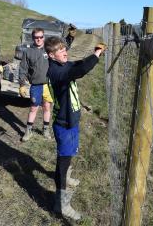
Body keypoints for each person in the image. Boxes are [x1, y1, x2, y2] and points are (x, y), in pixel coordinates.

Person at [45, 36, 106, 220]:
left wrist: (95, 53)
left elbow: (78, 64)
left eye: (65, 49)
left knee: (70, 154)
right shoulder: (55, 72)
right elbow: (79, 71)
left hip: (71, 121)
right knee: (62, 164)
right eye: (61, 51)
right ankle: (61, 205)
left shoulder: (63, 65)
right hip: (63, 125)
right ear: (51, 55)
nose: (65, 53)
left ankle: (67, 177)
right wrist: (96, 55)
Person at [18, 28, 53, 141]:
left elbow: (63, 48)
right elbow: (23, 68)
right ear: (33, 38)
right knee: (33, 108)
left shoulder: (48, 49)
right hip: (36, 85)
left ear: (44, 37)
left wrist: (70, 37)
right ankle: (28, 131)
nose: (38, 39)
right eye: (36, 37)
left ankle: (46, 129)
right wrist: (22, 84)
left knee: (47, 107)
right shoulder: (28, 52)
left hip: (48, 84)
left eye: (41, 37)